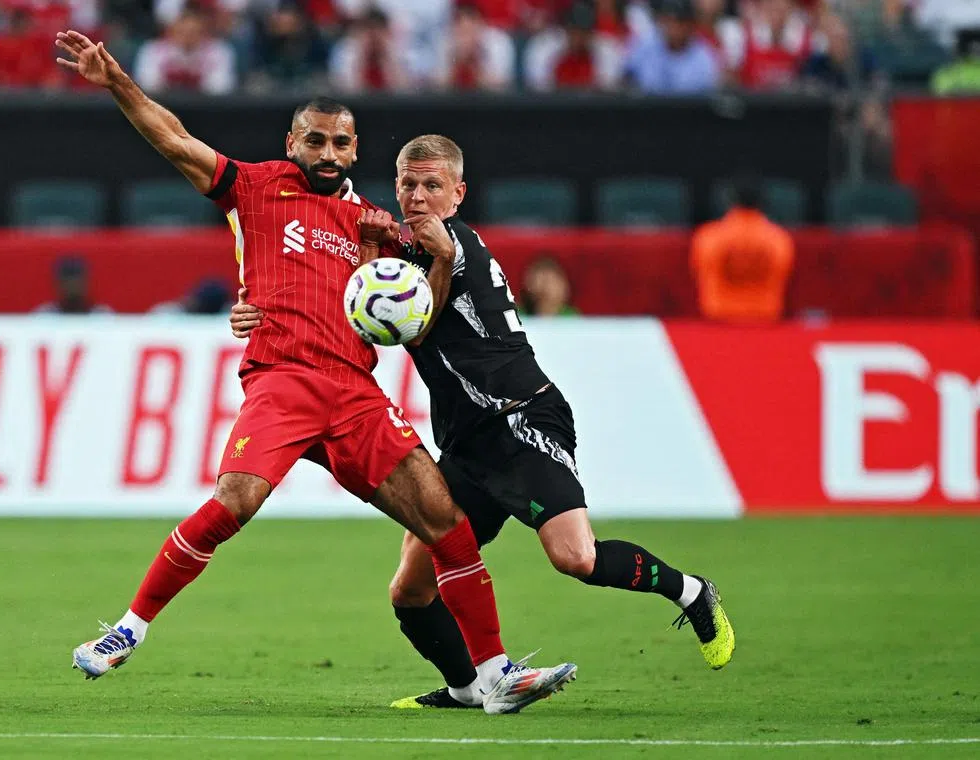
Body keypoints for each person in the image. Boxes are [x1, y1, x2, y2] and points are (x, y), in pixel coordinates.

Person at [54, 30, 575, 715]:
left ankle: (495, 675)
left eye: (340, 142)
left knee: (446, 523)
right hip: (284, 379)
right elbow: (175, 139)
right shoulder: (256, 187)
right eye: (315, 140)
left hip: (357, 394)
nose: (327, 153)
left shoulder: (374, 226)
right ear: (293, 142)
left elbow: (440, 290)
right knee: (234, 502)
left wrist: (435, 262)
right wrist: (118, 83)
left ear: (356, 151)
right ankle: (128, 629)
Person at [231, 134, 735, 710]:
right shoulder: (402, 250)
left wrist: (389, 250)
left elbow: (411, 327)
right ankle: (467, 688)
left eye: (432, 186)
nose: (418, 197)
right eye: (408, 184)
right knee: (411, 590)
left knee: (576, 558)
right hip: (467, 443)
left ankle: (691, 591)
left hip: (522, 421)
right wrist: (257, 310)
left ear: (458, 193)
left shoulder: (455, 244)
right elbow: (344, 310)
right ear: (395, 184)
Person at [691, 174, 795, 324]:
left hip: (719, 321)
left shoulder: (708, 237)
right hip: (765, 320)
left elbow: (699, 273)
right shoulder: (779, 239)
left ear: (728, 200)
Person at [34, 256, 112, 314]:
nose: (72, 286)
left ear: (86, 283)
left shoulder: (101, 316)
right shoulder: (45, 315)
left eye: (77, 281)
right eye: (67, 282)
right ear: (58, 284)